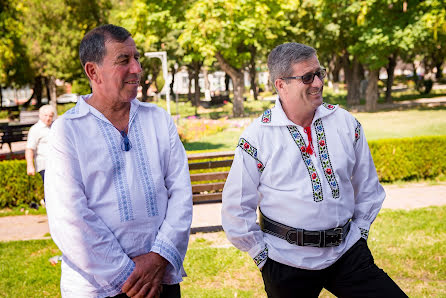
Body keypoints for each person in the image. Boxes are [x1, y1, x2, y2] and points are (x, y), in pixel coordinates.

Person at [221, 43, 407, 297]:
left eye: (319, 73)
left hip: (347, 252)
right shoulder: (257, 137)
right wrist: (262, 257)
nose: (318, 83)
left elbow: (368, 187)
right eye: (307, 77)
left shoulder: (345, 123)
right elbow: (236, 208)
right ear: (281, 85)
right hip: (286, 261)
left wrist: (360, 232)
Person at [45, 24, 193, 298]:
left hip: (161, 280)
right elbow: (69, 218)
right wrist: (129, 275)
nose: (136, 68)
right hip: (98, 288)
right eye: (124, 60)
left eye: (136, 58)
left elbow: (181, 194)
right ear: (93, 71)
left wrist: (159, 258)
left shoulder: (158, 120)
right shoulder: (67, 131)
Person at [25, 104, 55, 184]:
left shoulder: (55, 127)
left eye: (50, 116)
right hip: (44, 165)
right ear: (40, 115)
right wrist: (30, 166)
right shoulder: (35, 129)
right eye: (45, 115)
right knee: (50, 191)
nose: (48, 118)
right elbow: (29, 149)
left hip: (56, 165)